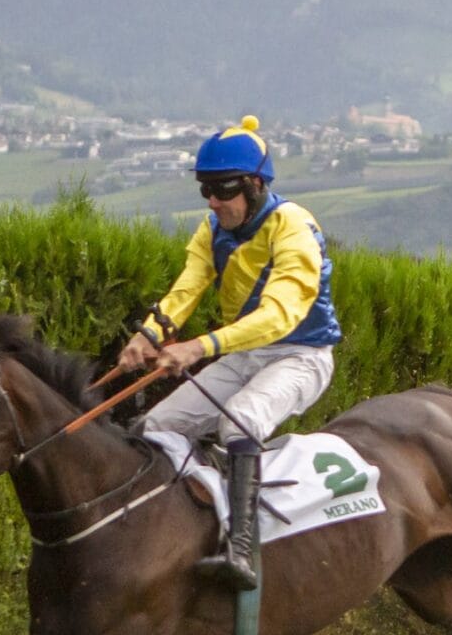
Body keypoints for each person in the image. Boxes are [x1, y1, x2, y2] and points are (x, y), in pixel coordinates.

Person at [114, 114, 343, 590]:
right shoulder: (212, 228)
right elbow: (188, 286)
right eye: (206, 191)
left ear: (256, 184)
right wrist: (149, 336)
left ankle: (241, 551)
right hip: (245, 356)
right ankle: (181, 529)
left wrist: (199, 347)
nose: (215, 203)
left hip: (302, 355)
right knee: (154, 427)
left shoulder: (294, 228)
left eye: (224, 190)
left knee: (239, 421)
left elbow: (279, 316)